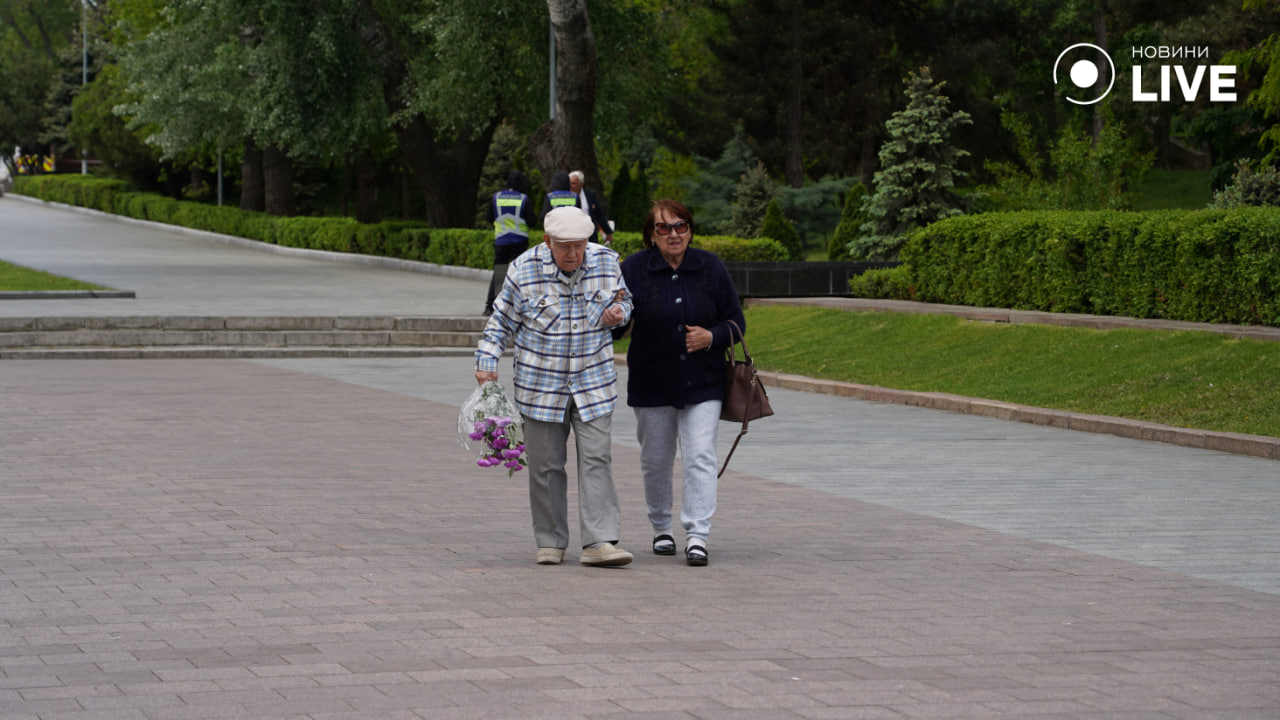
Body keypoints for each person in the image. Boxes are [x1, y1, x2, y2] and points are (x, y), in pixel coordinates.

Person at [475, 205, 635, 567]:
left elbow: (625, 302)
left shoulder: (607, 262)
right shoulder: (523, 269)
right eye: (564, 246)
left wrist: (619, 315)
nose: (573, 254)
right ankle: (550, 541)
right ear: (547, 241)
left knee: (597, 459)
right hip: (540, 386)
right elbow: (500, 322)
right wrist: (486, 364)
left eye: (579, 245)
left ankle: (600, 542)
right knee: (546, 466)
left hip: (593, 382)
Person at [614, 199, 744, 567]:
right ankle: (661, 528)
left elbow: (736, 322)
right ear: (651, 235)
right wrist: (612, 316)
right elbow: (619, 326)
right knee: (655, 460)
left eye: (681, 226)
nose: (674, 234)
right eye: (664, 227)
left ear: (690, 229)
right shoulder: (633, 269)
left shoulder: (711, 267)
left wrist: (712, 337)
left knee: (700, 455)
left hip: (703, 381)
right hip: (652, 381)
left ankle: (698, 534)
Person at [483, 170, 536, 316]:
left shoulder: (496, 197)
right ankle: (520, 307)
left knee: (499, 272)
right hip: (519, 241)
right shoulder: (524, 199)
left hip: (501, 240)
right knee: (520, 274)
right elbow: (532, 221)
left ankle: (490, 306)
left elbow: (488, 218)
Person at [569, 170, 614, 245]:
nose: (570, 186)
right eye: (569, 183)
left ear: (581, 184)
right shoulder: (566, 197)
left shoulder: (590, 195)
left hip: (590, 235)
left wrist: (608, 232)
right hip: (573, 235)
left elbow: (599, 215)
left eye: (573, 183)